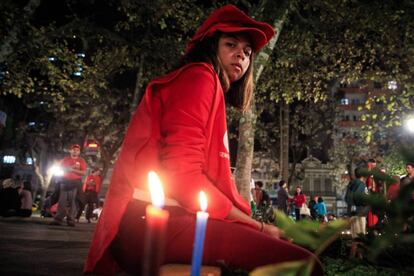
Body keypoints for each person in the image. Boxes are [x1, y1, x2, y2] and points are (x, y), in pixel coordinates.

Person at [84, 5, 322, 275]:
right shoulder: (200, 77)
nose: (240, 56)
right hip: (155, 224)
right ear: (210, 45)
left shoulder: (205, 83)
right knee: (306, 266)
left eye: (246, 52)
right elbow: (184, 177)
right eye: (231, 44)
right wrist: (258, 226)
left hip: (160, 223)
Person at [50, 144, 87, 226]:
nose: (75, 151)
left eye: (77, 150)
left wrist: (71, 169)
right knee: (62, 201)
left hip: (75, 183)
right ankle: (58, 219)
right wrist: (72, 169)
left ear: (79, 152)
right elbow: (62, 169)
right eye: (74, 149)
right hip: (64, 182)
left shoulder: (81, 161)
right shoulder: (65, 159)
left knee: (73, 202)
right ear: (71, 151)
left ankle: (71, 220)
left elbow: (83, 172)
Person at [348, 168, 369, 258]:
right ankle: (352, 258)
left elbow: (347, 198)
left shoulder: (351, 184)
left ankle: (359, 258)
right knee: (359, 237)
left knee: (356, 237)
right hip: (360, 213)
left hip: (353, 213)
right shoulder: (361, 185)